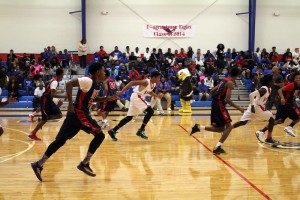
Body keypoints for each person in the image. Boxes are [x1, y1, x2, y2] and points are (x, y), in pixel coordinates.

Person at [31, 62, 117, 181]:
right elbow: (69, 84)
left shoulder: (96, 85)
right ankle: (84, 163)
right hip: (79, 113)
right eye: (103, 70)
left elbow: (94, 98)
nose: (105, 73)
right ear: (97, 72)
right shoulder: (88, 80)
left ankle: (39, 164)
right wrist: (70, 104)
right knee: (100, 135)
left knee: (60, 141)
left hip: (75, 115)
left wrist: (107, 98)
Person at [190, 67, 244, 154]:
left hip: (215, 103)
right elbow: (227, 100)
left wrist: (217, 99)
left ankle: (198, 127)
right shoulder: (230, 83)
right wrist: (239, 108)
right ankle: (217, 147)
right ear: (237, 75)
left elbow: (212, 91)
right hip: (219, 104)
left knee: (220, 128)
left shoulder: (224, 80)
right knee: (229, 127)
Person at [108, 71, 162, 141]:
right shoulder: (146, 82)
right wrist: (121, 91)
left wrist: (156, 95)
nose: (159, 79)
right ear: (154, 77)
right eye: (158, 78)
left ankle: (113, 131)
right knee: (150, 111)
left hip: (137, 97)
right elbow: (132, 83)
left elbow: (149, 92)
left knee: (129, 118)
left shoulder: (153, 84)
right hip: (137, 97)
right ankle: (141, 130)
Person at [231, 75, 278, 144]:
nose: (274, 81)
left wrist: (274, 98)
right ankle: (268, 138)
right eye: (273, 80)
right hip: (257, 108)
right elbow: (251, 95)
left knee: (243, 122)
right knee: (271, 119)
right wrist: (253, 106)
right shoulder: (264, 89)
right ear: (269, 81)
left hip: (253, 107)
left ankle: (228, 128)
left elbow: (266, 97)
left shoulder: (269, 89)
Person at [257, 72, 300, 138]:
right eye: (296, 78)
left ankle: (261, 131)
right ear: (293, 79)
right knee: (298, 116)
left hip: (284, 105)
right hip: (287, 104)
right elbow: (280, 90)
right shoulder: (292, 85)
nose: (298, 79)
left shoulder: (298, 86)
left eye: (299, 78)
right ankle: (289, 127)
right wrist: (282, 98)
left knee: (278, 121)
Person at [28, 68, 65, 141]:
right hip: (45, 100)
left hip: (49, 100)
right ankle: (33, 133)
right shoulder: (55, 82)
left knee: (59, 115)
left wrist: (48, 88)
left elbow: (46, 83)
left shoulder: (53, 80)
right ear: (60, 75)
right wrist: (64, 96)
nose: (63, 76)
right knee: (46, 118)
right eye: (63, 75)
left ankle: (43, 119)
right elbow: (52, 94)